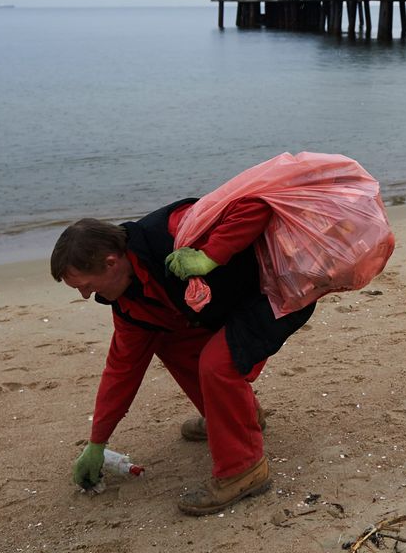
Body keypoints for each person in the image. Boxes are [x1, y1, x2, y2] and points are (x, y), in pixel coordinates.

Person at [50, 196, 316, 515]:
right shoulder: (130, 304)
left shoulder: (175, 230)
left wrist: (208, 258)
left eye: (86, 285)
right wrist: (97, 442)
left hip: (279, 285)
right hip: (231, 307)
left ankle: (244, 471)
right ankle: (237, 418)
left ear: (110, 262)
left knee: (218, 364)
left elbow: (254, 206)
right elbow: (122, 370)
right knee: (168, 339)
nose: (84, 295)